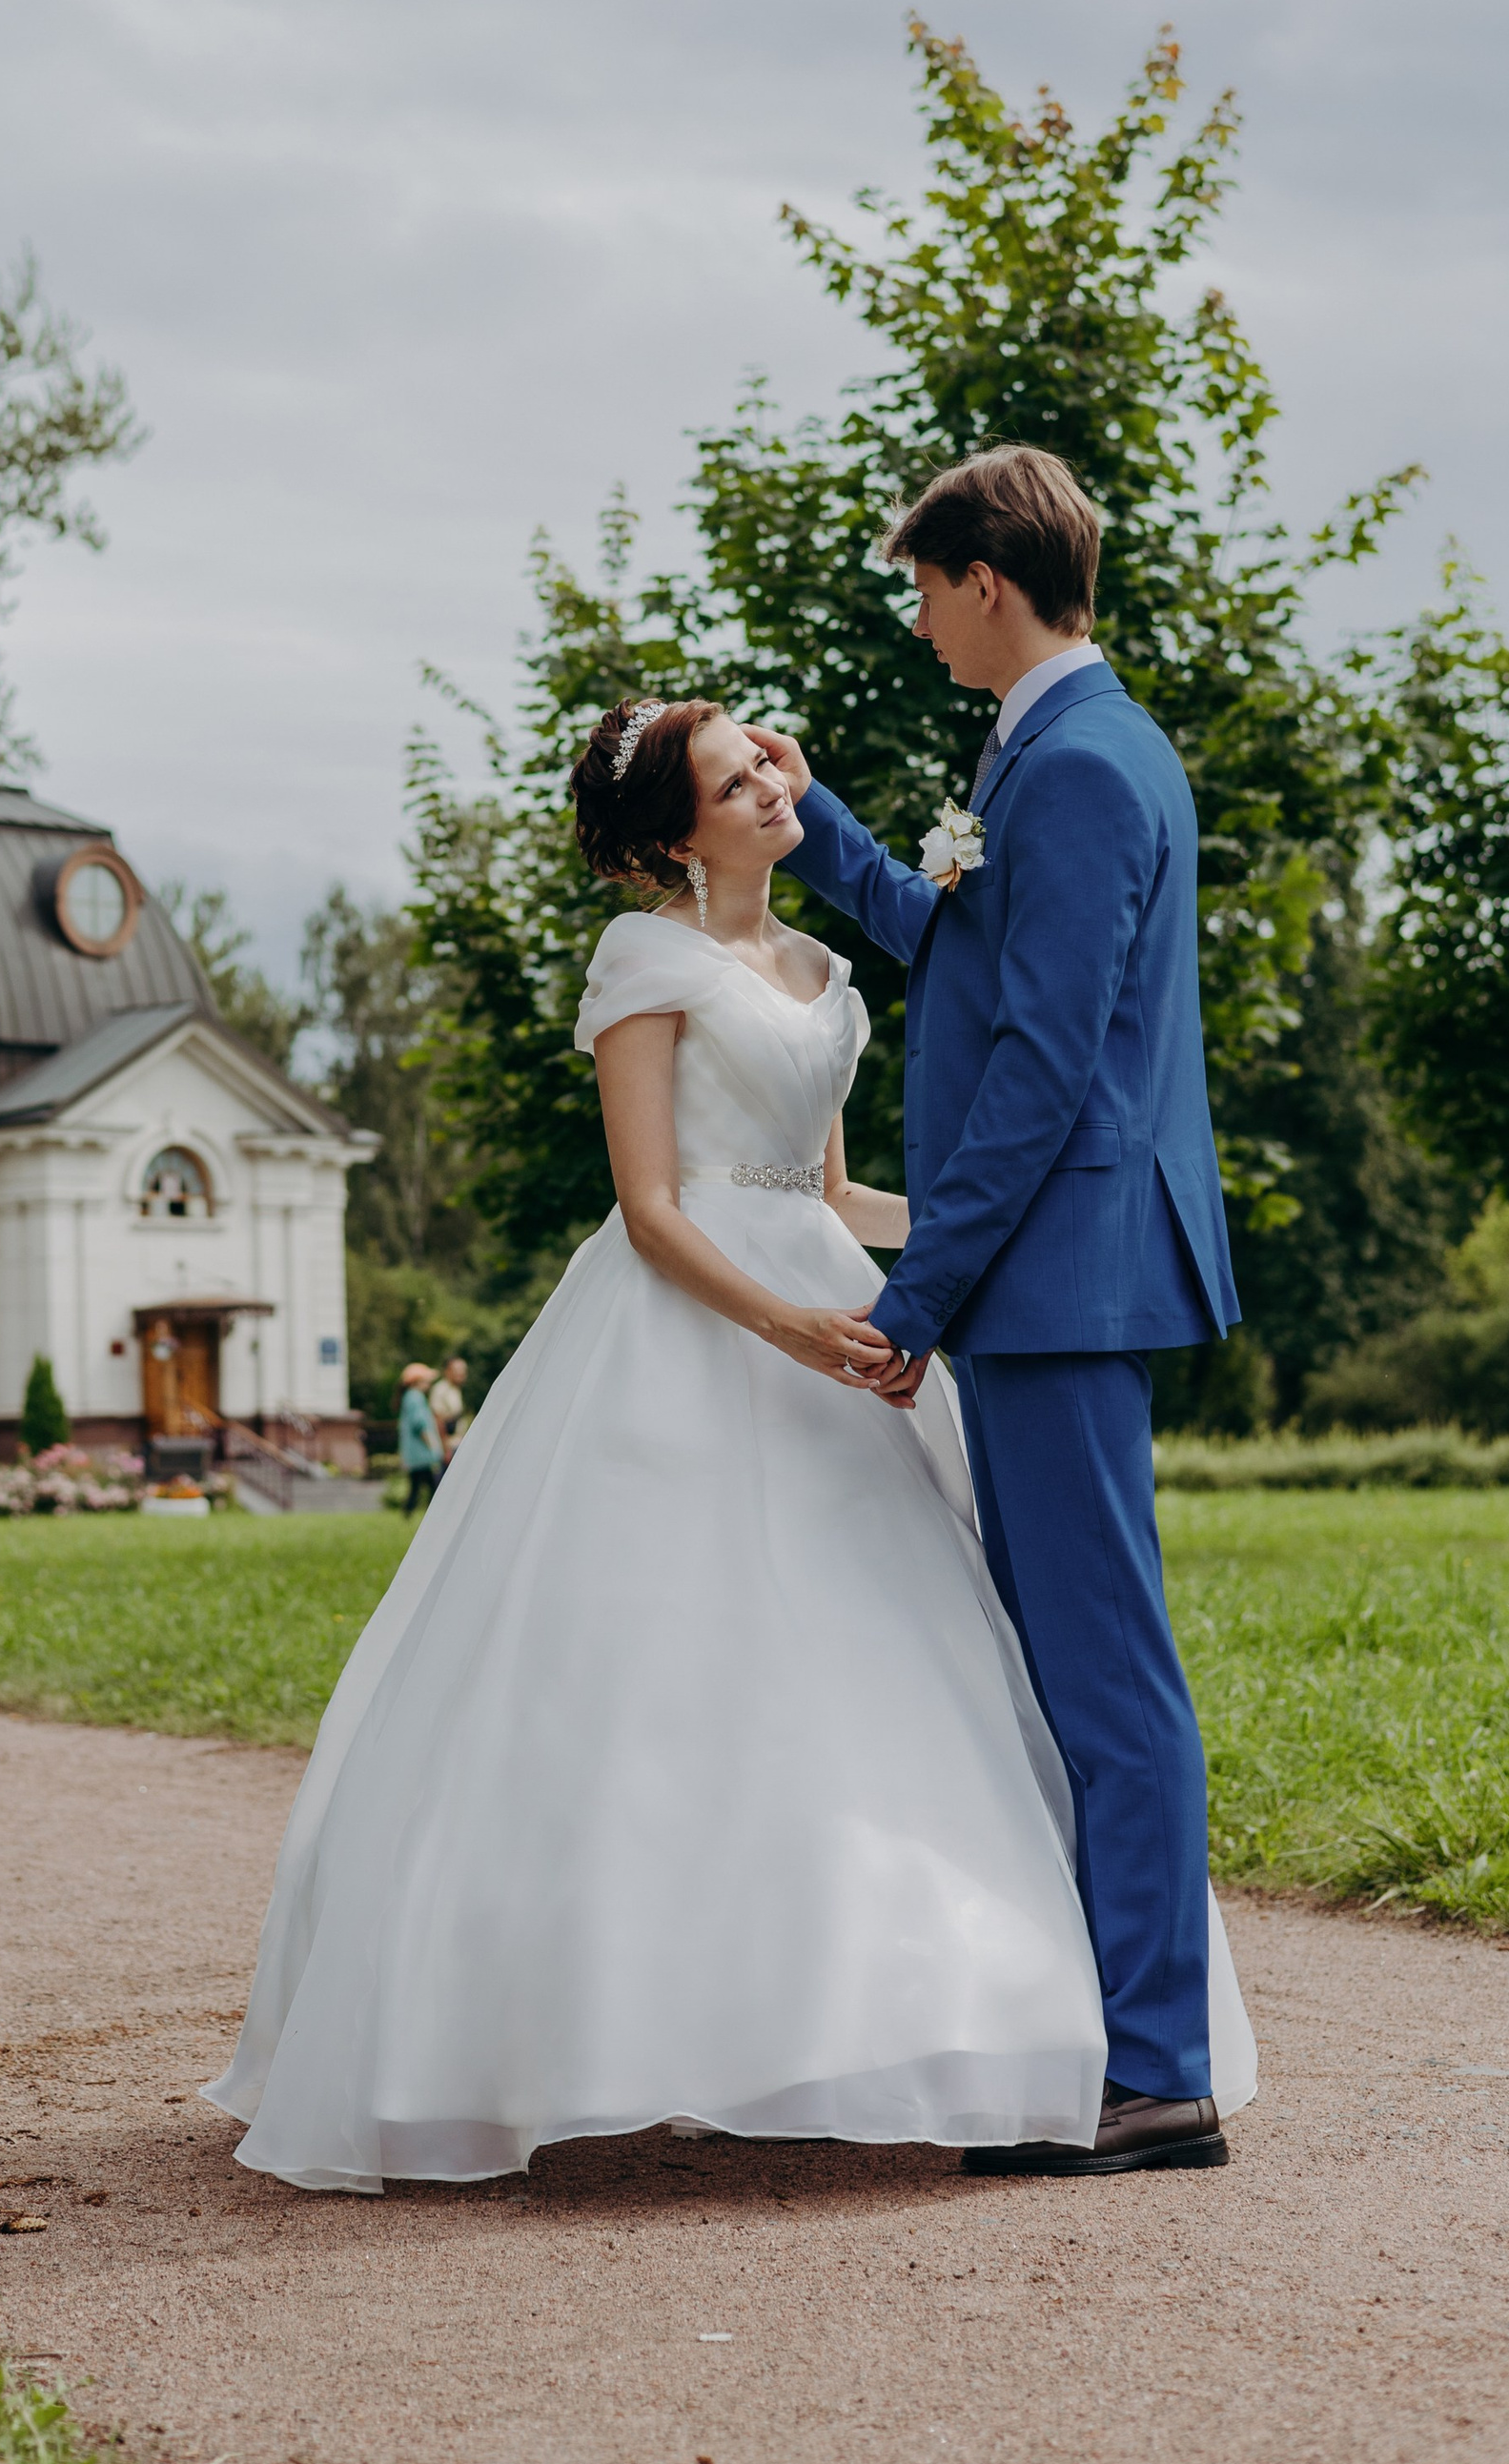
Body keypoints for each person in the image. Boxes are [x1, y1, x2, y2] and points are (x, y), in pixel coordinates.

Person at [204, 688, 1254, 2192]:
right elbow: (653, 1210)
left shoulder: (825, 966)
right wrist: (793, 1329)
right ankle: (582, 2029)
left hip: (834, 1320)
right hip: (696, 1329)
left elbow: (832, 1201)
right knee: (653, 1693)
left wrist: (970, 1253)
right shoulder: (642, 964)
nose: (771, 781)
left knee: (891, 1670)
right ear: (670, 840)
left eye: (761, 758)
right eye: (731, 775)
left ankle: (862, 2020)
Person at [757, 441, 1244, 2177]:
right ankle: (1099, 2047)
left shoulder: (1091, 763)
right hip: (1042, 1279)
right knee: (1064, 1663)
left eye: (919, 583)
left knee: (1109, 1674)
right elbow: (950, 949)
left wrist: (920, 1288)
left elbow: (1042, 1063)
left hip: (1057, 1278)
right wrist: (813, 816)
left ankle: (1158, 2068)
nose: (913, 617)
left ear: (983, 575)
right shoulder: (1037, 748)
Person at [395, 1364, 443, 1512]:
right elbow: (420, 1424)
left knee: (416, 1486)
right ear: (417, 1382)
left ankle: (409, 1511)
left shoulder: (409, 1397)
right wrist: (432, 1445)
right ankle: (434, 1512)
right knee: (433, 1486)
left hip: (414, 1454)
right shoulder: (415, 1397)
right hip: (421, 1453)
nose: (428, 1384)